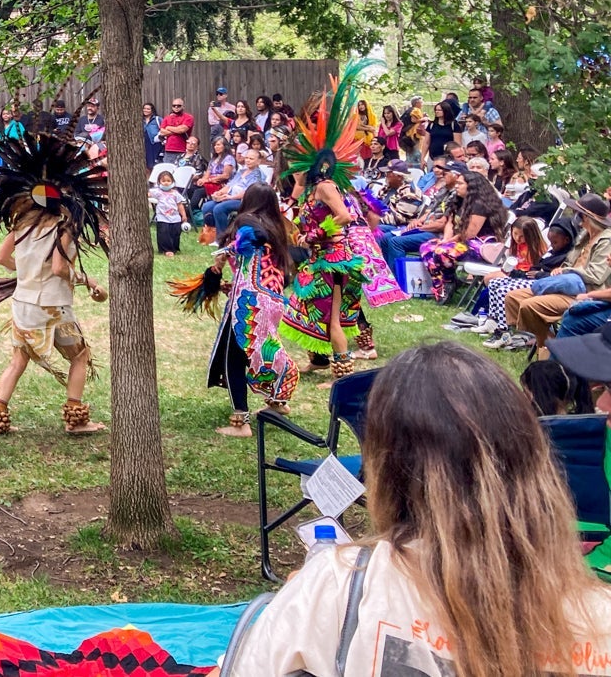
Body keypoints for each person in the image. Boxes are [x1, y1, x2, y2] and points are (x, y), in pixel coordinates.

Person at [224, 342, 611, 677]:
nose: (602, 403)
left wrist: (308, 598)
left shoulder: (340, 588)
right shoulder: (599, 617)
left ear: (385, 466)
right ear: (533, 460)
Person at [0, 133, 109, 437]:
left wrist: (27, 272)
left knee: (18, 360)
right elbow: (59, 268)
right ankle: (75, 418)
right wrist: (86, 279)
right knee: (80, 356)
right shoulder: (65, 226)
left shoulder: (21, 223)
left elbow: (2, 258)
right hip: (53, 306)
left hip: (23, 303)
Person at [281, 64, 408, 381]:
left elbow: (345, 216)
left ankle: (343, 371)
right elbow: (300, 206)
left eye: (299, 165)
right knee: (306, 306)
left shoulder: (326, 187)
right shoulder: (309, 190)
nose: (294, 169)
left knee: (334, 318)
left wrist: (315, 235)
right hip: (319, 258)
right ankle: (319, 360)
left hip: (336, 260)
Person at [193, 184, 300, 437]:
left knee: (234, 357)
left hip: (250, 302)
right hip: (272, 300)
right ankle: (277, 402)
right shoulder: (277, 228)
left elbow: (253, 237)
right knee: (262, 347)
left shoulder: (248, 221)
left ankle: (241, 422)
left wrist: (229, 249)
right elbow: (259, 265)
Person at [506, 194, 611, 353]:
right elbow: (569, 262)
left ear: (586, 217)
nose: (575, 216)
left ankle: (550, 350)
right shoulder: (585, 236)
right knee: (513, 297)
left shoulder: (606, 240)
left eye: (578, 212)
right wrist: (559, 269)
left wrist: (567, 271)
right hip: (564, 285)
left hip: (584, 291)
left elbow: (596, 276)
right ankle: (549, 342)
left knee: (529, 306)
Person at [416, 170, 509, 303]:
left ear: (471, 186)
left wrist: (447, 243)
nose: (456, 186)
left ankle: (448, 282)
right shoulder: (459, 200)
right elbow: (450, 223)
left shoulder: (480, 205)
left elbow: (471, 233)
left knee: (442, 251)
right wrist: (445, 240)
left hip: (480, 246)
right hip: (462, 243)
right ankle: (441, 285)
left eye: (460, 184)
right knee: (426, 247)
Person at [200, 146, 265, 237]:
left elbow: (248, 191)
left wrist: (230, 197)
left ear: (258, 161)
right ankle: (211, 234)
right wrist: (220, 192)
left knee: (219, 208)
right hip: (230, 197)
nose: (248, 160)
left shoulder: (258, 175)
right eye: (246, 158)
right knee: (207, 206)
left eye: (251, 159)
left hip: (245, 201)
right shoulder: (241, 171)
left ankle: (222, 237)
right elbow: (230, 185)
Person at [149, 169, 189, 256]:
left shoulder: (175, 193)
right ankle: (166, 249)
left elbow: (180, 205)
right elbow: (148, 193)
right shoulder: (158, 192)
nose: (166, 183)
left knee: (175, 233)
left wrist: (183, 215)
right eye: (163, 181)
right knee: (163, 233)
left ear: (172, 182)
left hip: (175, 217)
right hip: (162, 217)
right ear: (159, 182)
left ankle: (174, 248)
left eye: (168, 181)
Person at [142, 102, 164, 167]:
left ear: (152, 110)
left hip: (155, 144)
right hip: (144, 144)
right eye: (144, 108)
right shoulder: (140, 119)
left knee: (154, 164)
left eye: (148, 109)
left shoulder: (157, 119)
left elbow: (164, 129)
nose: (145, 110)